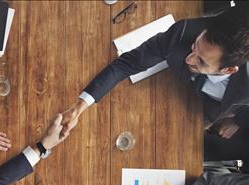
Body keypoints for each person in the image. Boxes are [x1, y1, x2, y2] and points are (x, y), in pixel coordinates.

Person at [60, 6, 249, 153]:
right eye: (194, 46)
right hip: (179, 99)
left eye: (201, 61)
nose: (188, 59)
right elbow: (127, 64)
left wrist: (238, 120)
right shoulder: (182, 32)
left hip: (219, 114)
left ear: (229, 70)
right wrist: (78, 108)